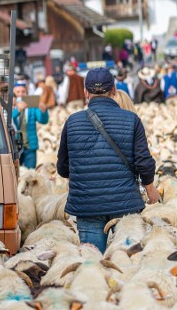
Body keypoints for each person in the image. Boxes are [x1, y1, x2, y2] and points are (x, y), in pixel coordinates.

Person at [56, 68, 158, 253]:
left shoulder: (72, 122)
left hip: (87, 205)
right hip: (125, 204)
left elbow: (62, 168)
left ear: (86, 92)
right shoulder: (131, 119)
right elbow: (144, 162)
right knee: (128, 259)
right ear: (113, 90)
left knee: (93, 260)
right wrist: (150, 189)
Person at [12, 82, 49, 169]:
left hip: (30, 147)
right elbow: (8, 120)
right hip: (15, 147)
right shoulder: (11, 106)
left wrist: (43, 111)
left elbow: (43, 121)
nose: (21, 94)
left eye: (23, 91)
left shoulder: (32, 107)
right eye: (18, 92)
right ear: (14, 94)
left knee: (31, 171)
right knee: (15, 173)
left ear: (27, 93)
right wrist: (17, 110)